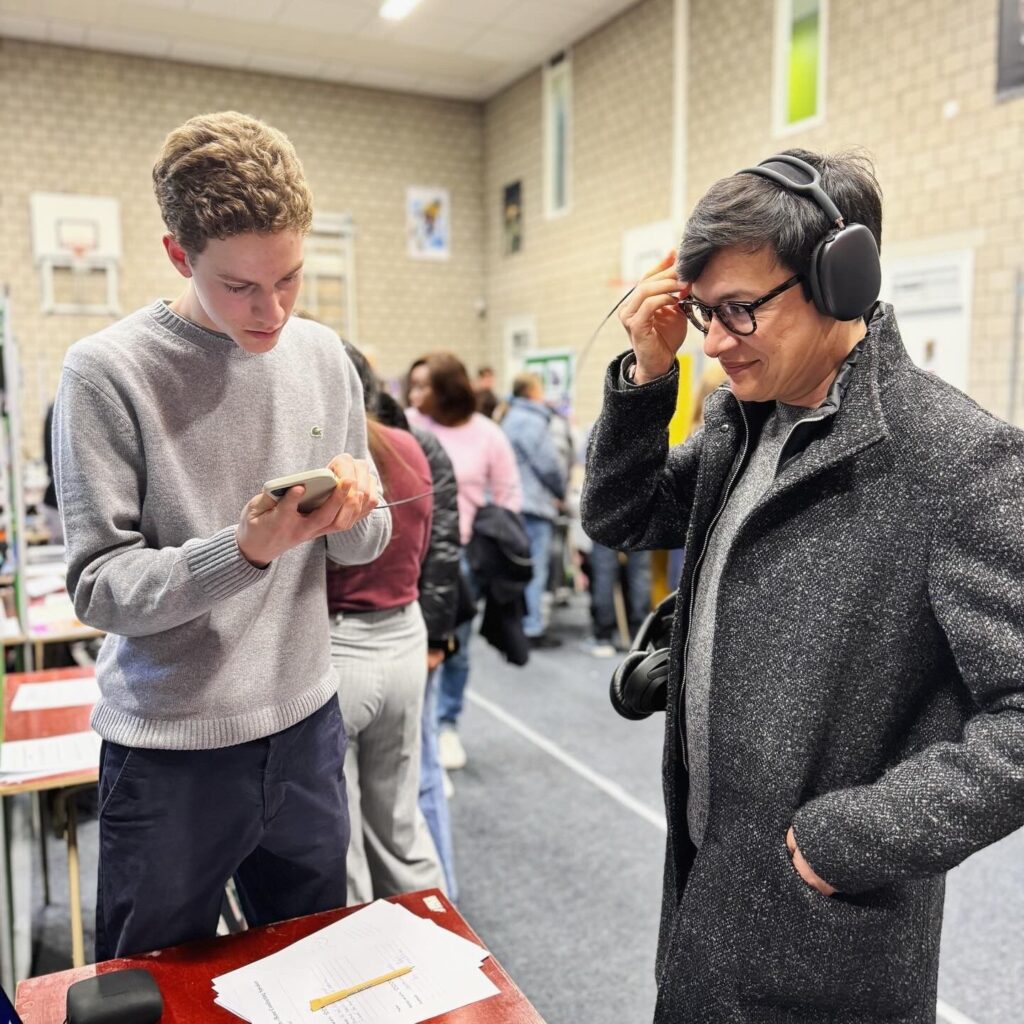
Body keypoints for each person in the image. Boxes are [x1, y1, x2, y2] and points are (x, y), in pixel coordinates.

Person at [581, 148, 1024, 1023]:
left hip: (825, 925)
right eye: (704, 311)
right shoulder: (740, 428)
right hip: (705, 880)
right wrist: (647, 374)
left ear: (840, 281)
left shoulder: (958, 461)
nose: (713, 340)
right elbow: (619, 516)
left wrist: (843, 843)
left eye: (739, 311)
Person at [53, 111, 391, 960]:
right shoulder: (107, 371)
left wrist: (356, 516)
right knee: (153, 986)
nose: (272, 310)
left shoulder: (323, 357)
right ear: (178, 254)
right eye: (241, 287)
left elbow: (362, 546)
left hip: (306, 725)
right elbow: (99, 586)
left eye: (291, 279)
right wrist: (243, 551)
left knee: (316, 970)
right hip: (171, 752)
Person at [328, 343, 445, 903]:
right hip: (403, 638)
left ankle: (356, 983)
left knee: (341, 841)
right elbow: (426, 549)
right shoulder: (409, 447)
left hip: (340, 648)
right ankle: (442, 965)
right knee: (400, 827)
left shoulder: (326, 464)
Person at [406, 353, 521, 772]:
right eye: (412, 385)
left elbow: (509, 494)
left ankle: (447, 723)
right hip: (408, 555)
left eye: (424, 386)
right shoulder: (407, 425)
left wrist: (490, 546)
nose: (414, 394)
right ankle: (413, 724)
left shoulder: (487, 434)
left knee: (455, 648)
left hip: (462, 559)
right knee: (405, 645)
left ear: (448, 390)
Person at [375, 391, 461, 901]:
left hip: (409, 631)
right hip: (392, 633)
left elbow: (442, 545)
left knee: (421, 775)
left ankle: (445, 902)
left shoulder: (416, 447)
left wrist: (434, 634)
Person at [500, 372, 567, 648]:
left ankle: (517, 624)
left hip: (511, 503)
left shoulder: (509, 417)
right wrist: (560, 492)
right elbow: (548, 464)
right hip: (533, 506)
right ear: (531, 393)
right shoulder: (532, 421)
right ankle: (533, 627)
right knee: (535, 568)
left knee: (516, 566)